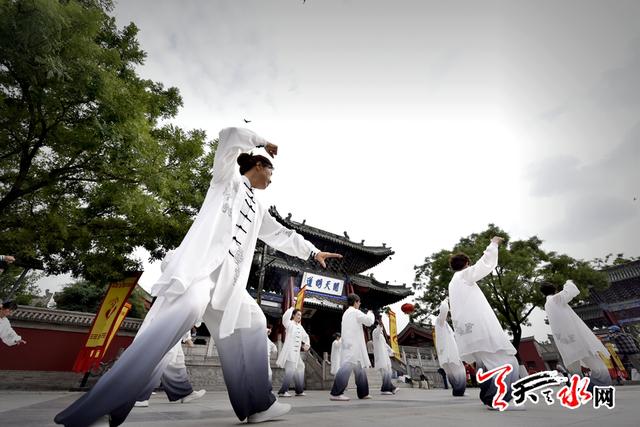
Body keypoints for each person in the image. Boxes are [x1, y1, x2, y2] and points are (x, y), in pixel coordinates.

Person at [54, 127, 343, 426]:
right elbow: (229, 135)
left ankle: (257, 404)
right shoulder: (225, 179)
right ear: (259, 165)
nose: (272, 179)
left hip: (228, 284)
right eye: (271, 173)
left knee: (254, 322)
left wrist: (312, 252)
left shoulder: (259, 207)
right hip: (201, 272)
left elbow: (282, 235)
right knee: (174, 321)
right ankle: (102, 405)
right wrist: (262, 141)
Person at [448, 236, 520, 409]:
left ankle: (490, 398)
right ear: (466, 263)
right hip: (480, 329)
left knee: (486, 363)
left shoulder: (453, 282)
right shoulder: (464, 275)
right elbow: (485, 264)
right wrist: (493, 243)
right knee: (506, 362)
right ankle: (499, 400)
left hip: (468, 333)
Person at [542, 280, 612, 390]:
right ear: (555, 290)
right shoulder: (555, 299)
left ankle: (583, 388)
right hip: (577, 339)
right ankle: (598, 387)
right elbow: (571, 290)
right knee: (598, 367)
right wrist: (568, 282)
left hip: (565, 342)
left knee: (575, 370)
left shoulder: (547, 304)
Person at [134, 329, 206, 407]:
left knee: (178, 363)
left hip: (175, 336)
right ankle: (140, 397)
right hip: (165, 334)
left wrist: (187, 337)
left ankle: (185, 393)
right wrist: (187, 338)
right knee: (160, 364)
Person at [329, 293, 374, 401]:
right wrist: (370, 313)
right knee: (346, 368)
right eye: (359, 302)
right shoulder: (355, 312)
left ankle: (363, 393)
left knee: (359, 369)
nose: (360, 304)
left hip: (350, 345)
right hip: (353, 346)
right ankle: (336, 393)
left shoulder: (346, 313)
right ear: (356, 302)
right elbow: (369, 321)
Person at [276, 307, 310, 397]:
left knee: (300, 367)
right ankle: (283, 391)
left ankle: (299, 390)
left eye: (301, 315)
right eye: (298, 315)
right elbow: (285, 319)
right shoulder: (289, 324)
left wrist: (307, 344)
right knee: (290, 370)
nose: (299, 317)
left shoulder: (300, 326)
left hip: (296, 354)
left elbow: (305, 336)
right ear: (294, 315)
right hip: (290, 351)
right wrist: (290, 309)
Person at [435, 299, 466, 396]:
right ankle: (459, 390)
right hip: (449, 352)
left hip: (450, 352)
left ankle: (457, 391)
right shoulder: (439, 322)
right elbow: (444, 310)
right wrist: (445, 301)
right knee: (458, 371)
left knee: (454, 373)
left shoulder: (445, 325)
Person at [372, 318, 397, 395]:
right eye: (379, 325)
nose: (382, 327)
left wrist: (392, 351)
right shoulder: (375, 332)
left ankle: (391, 388)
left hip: (385, 356)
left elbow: (385, 345)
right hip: (380, 356)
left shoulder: (381, 336)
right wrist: (379, 325)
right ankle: (385, 389)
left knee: (388, 372)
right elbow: (378, 330)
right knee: (385, 372)